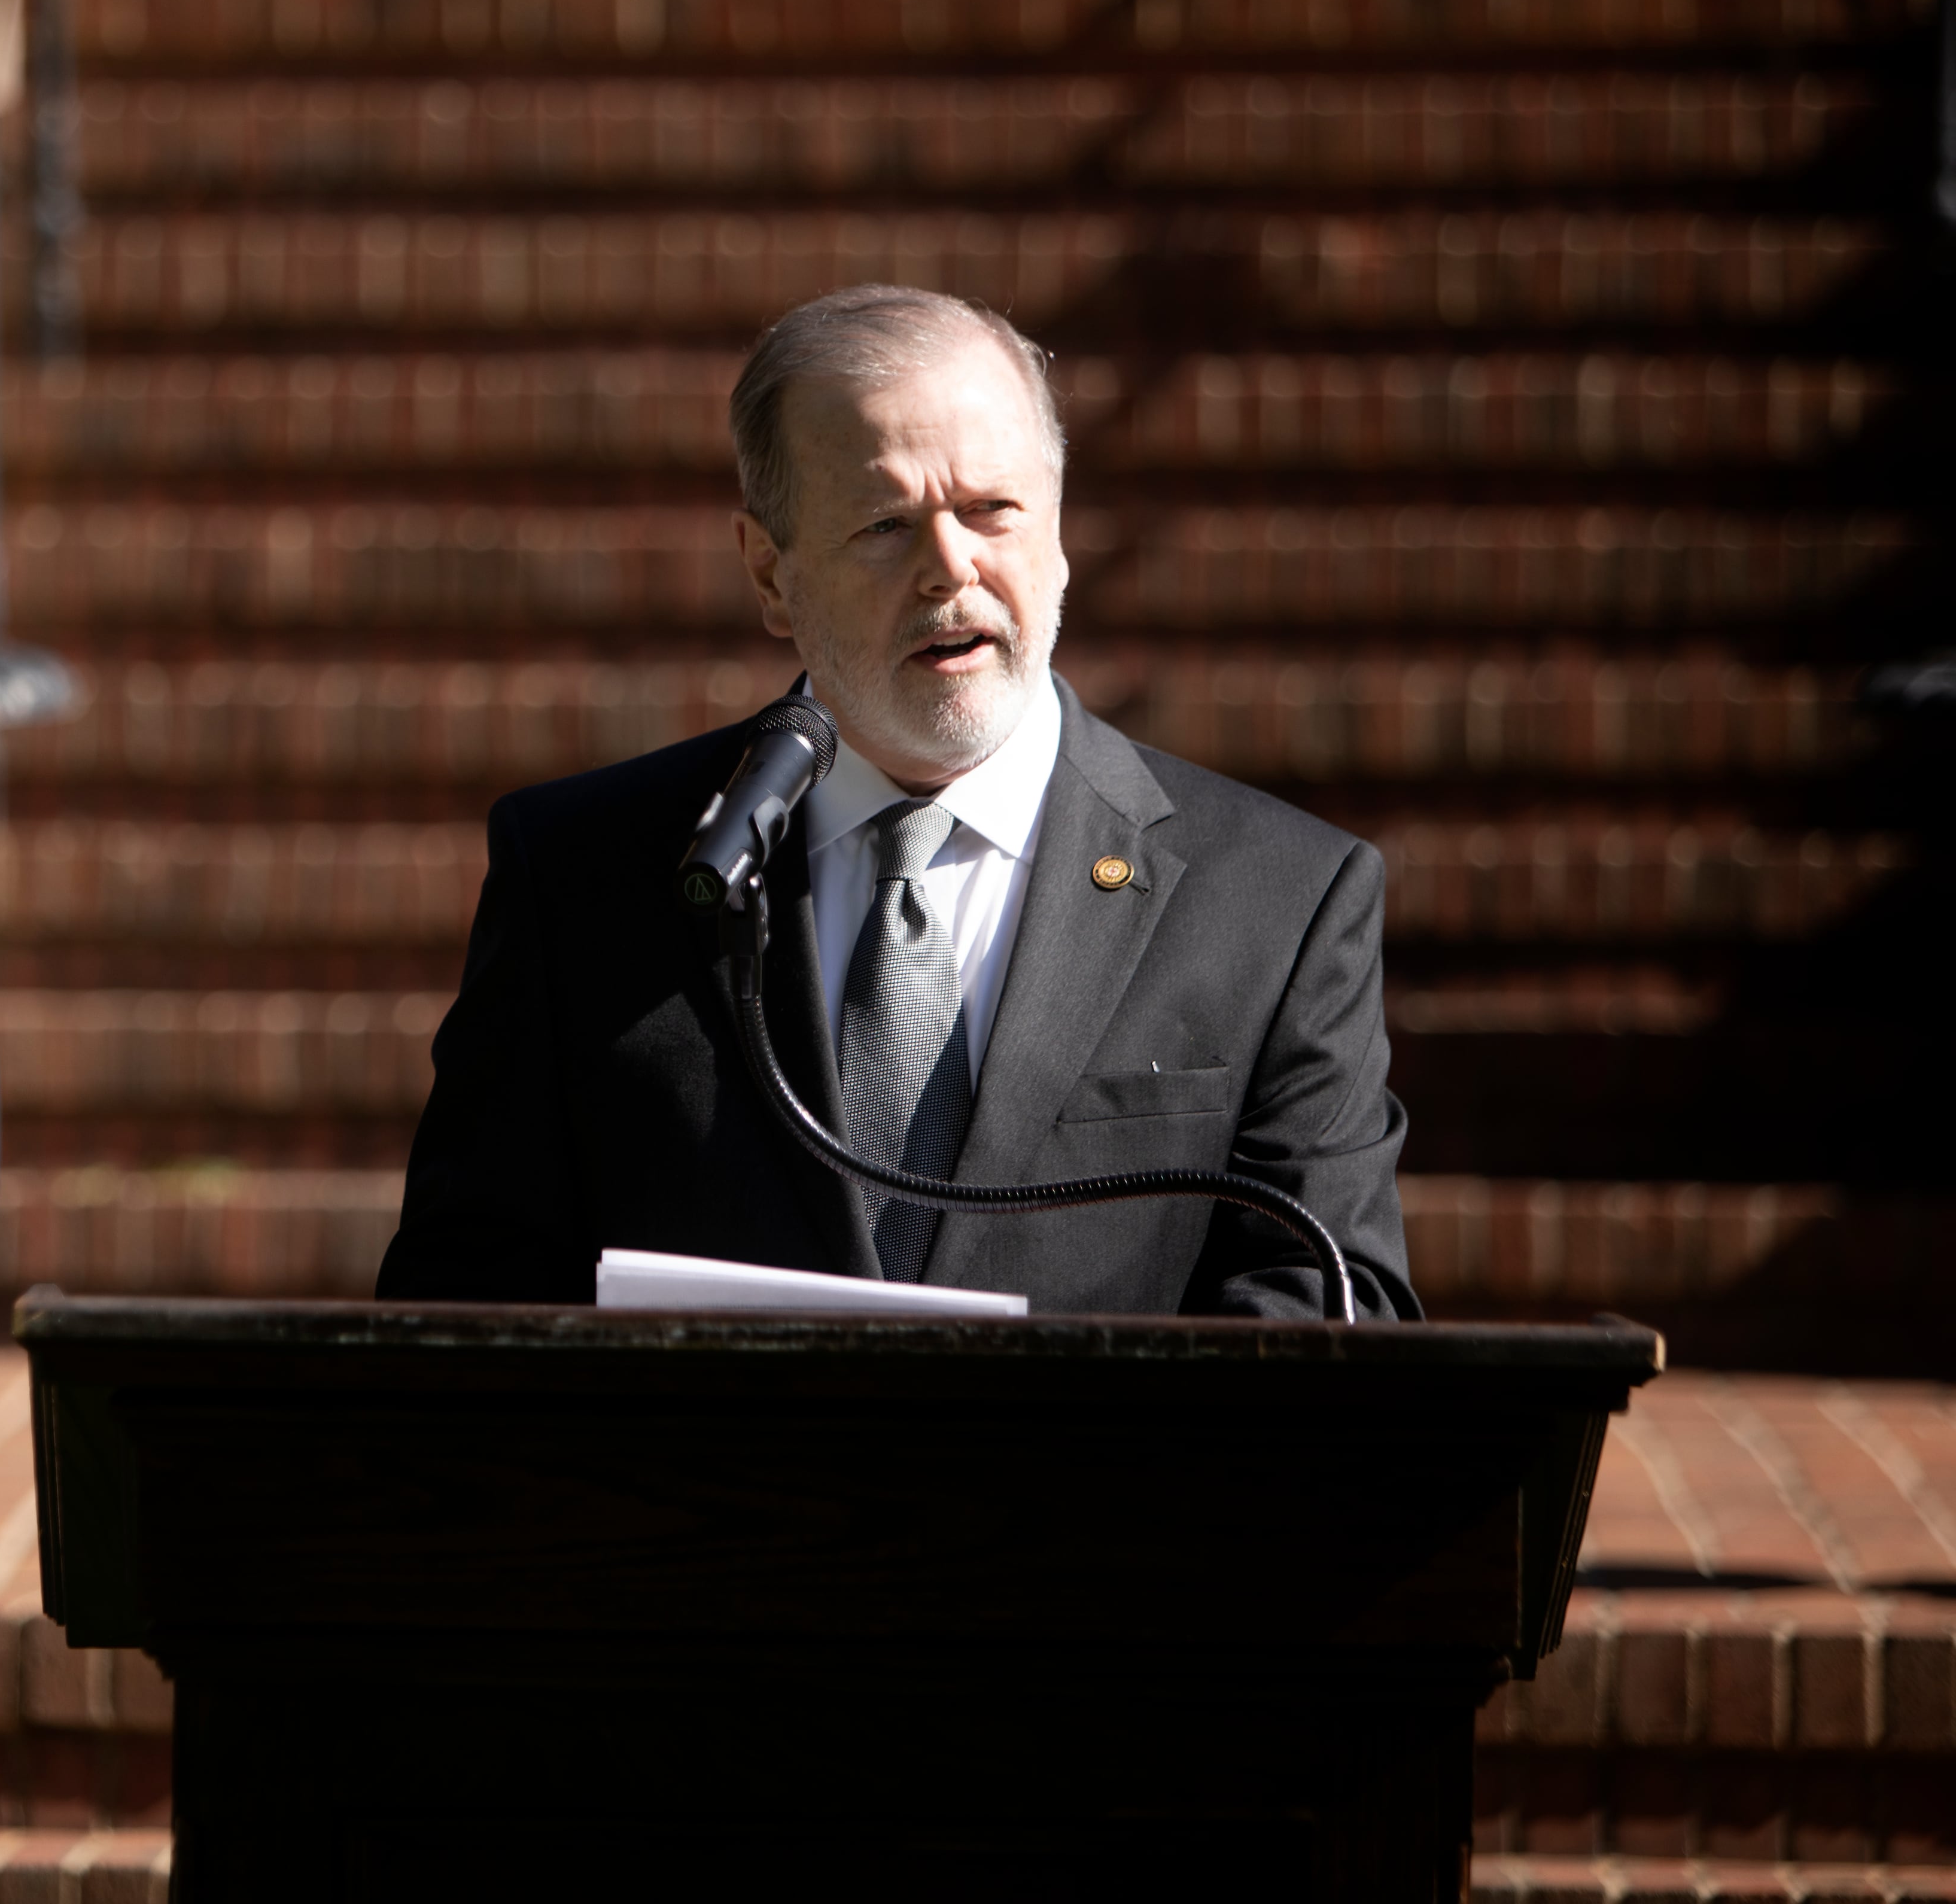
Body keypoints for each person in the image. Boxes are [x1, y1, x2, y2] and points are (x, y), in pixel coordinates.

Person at [377, 285, 1416, 1319]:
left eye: (991, 511)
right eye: (884, 524)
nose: (950, 567)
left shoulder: (1280, 902)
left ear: (1058, 533)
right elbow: (464, 1299)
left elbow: (1330, 1302)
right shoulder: (583, 877)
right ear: (769, 574)